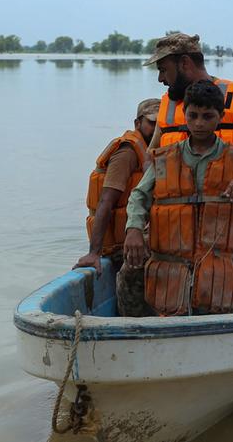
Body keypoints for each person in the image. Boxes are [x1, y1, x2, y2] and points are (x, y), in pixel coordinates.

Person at [124, 80, 233, 316]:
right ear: (184, 114)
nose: (199, 123)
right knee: (130, 277)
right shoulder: (165, 159)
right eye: (193, 115)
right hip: (172, 271)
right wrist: (134, 229)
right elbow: (139, 196)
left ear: (220, 116)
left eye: (207, 116)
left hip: (222, 273)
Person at [143, 33, 233, 181]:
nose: (160, 79)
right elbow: (150, 157)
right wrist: (151, 186)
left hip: (230, 200)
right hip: (177, 201)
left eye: (163, 70)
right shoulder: (167, 105)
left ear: (184, 63)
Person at [74, 98, 160, 317]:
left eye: (161, 124)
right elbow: (106, 202)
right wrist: (94, 252)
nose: (156, 128)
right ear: (138, 123)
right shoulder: (128, 152)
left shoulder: (156, 151)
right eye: (152, 123)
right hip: (123, 246)